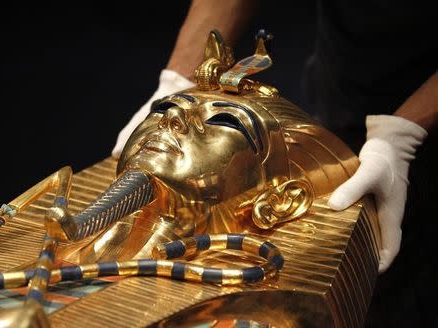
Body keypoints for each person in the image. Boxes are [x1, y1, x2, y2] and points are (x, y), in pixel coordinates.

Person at [111, 0, 437, 324]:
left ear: (277, 202)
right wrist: (178, 79)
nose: (173, 117)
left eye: (226, 121)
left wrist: (402, 134)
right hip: (348, 68)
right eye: (167, 107)